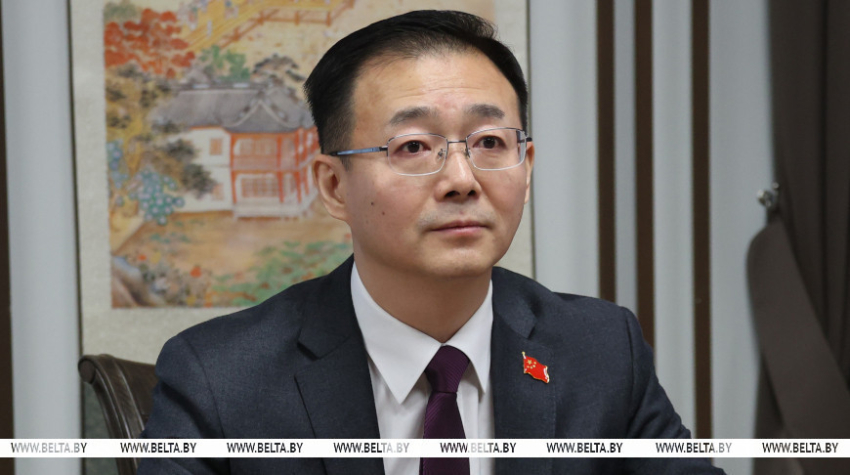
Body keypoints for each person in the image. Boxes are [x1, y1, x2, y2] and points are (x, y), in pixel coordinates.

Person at [139, 10, 726, 475]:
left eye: (490, 142)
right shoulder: (220, 378)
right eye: (414, 147)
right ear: (334, 186)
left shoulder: (600, 350)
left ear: (526, 167)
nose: (461, 180)